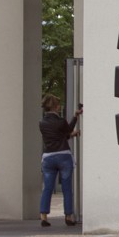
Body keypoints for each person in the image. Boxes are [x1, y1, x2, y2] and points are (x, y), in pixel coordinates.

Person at [38, 94, 82, 227]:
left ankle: (44, 217)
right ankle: (68, 216)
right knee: (67, 188)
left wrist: (68, 135)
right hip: (63, 156)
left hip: (48, 158)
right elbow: (67, 130)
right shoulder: (61, 121)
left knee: (47, 188)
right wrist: (76, 116)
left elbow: (57, 136)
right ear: (56, 107)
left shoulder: (42, 123)